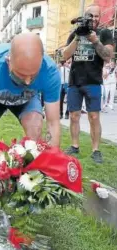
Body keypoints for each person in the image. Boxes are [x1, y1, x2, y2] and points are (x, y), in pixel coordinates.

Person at [0, 33, 61, 160]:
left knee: (35, 130)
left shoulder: (50, 71)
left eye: (33, 75)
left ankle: (29, 175)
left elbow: (53, 123)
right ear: (8, 61)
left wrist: (51, 163)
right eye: (21, 75)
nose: (27, 82)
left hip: (27, 99)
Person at [61, 4, 114, 163]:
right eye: (90, 16)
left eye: (96, 16)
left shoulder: (104, 33)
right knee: (74, 116)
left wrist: (95, 41)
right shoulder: (75, 33)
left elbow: (107, 56)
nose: (93, 19)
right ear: (85, 17)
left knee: (94, 116)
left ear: (100, 18)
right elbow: (64, 55)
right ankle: (75, 145)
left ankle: (96, 150)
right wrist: (78, 37)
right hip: (75, 81)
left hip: (93, 81)